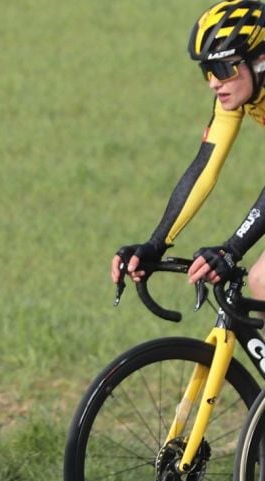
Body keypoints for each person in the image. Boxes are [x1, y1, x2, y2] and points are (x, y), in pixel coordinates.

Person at [112, 1, 265, 290]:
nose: (213, 83)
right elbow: (205, 167)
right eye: (207, 70)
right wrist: (155, 244)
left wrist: (231, 250)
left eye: (221, 68)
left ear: (260, 60)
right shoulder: (240, 93)